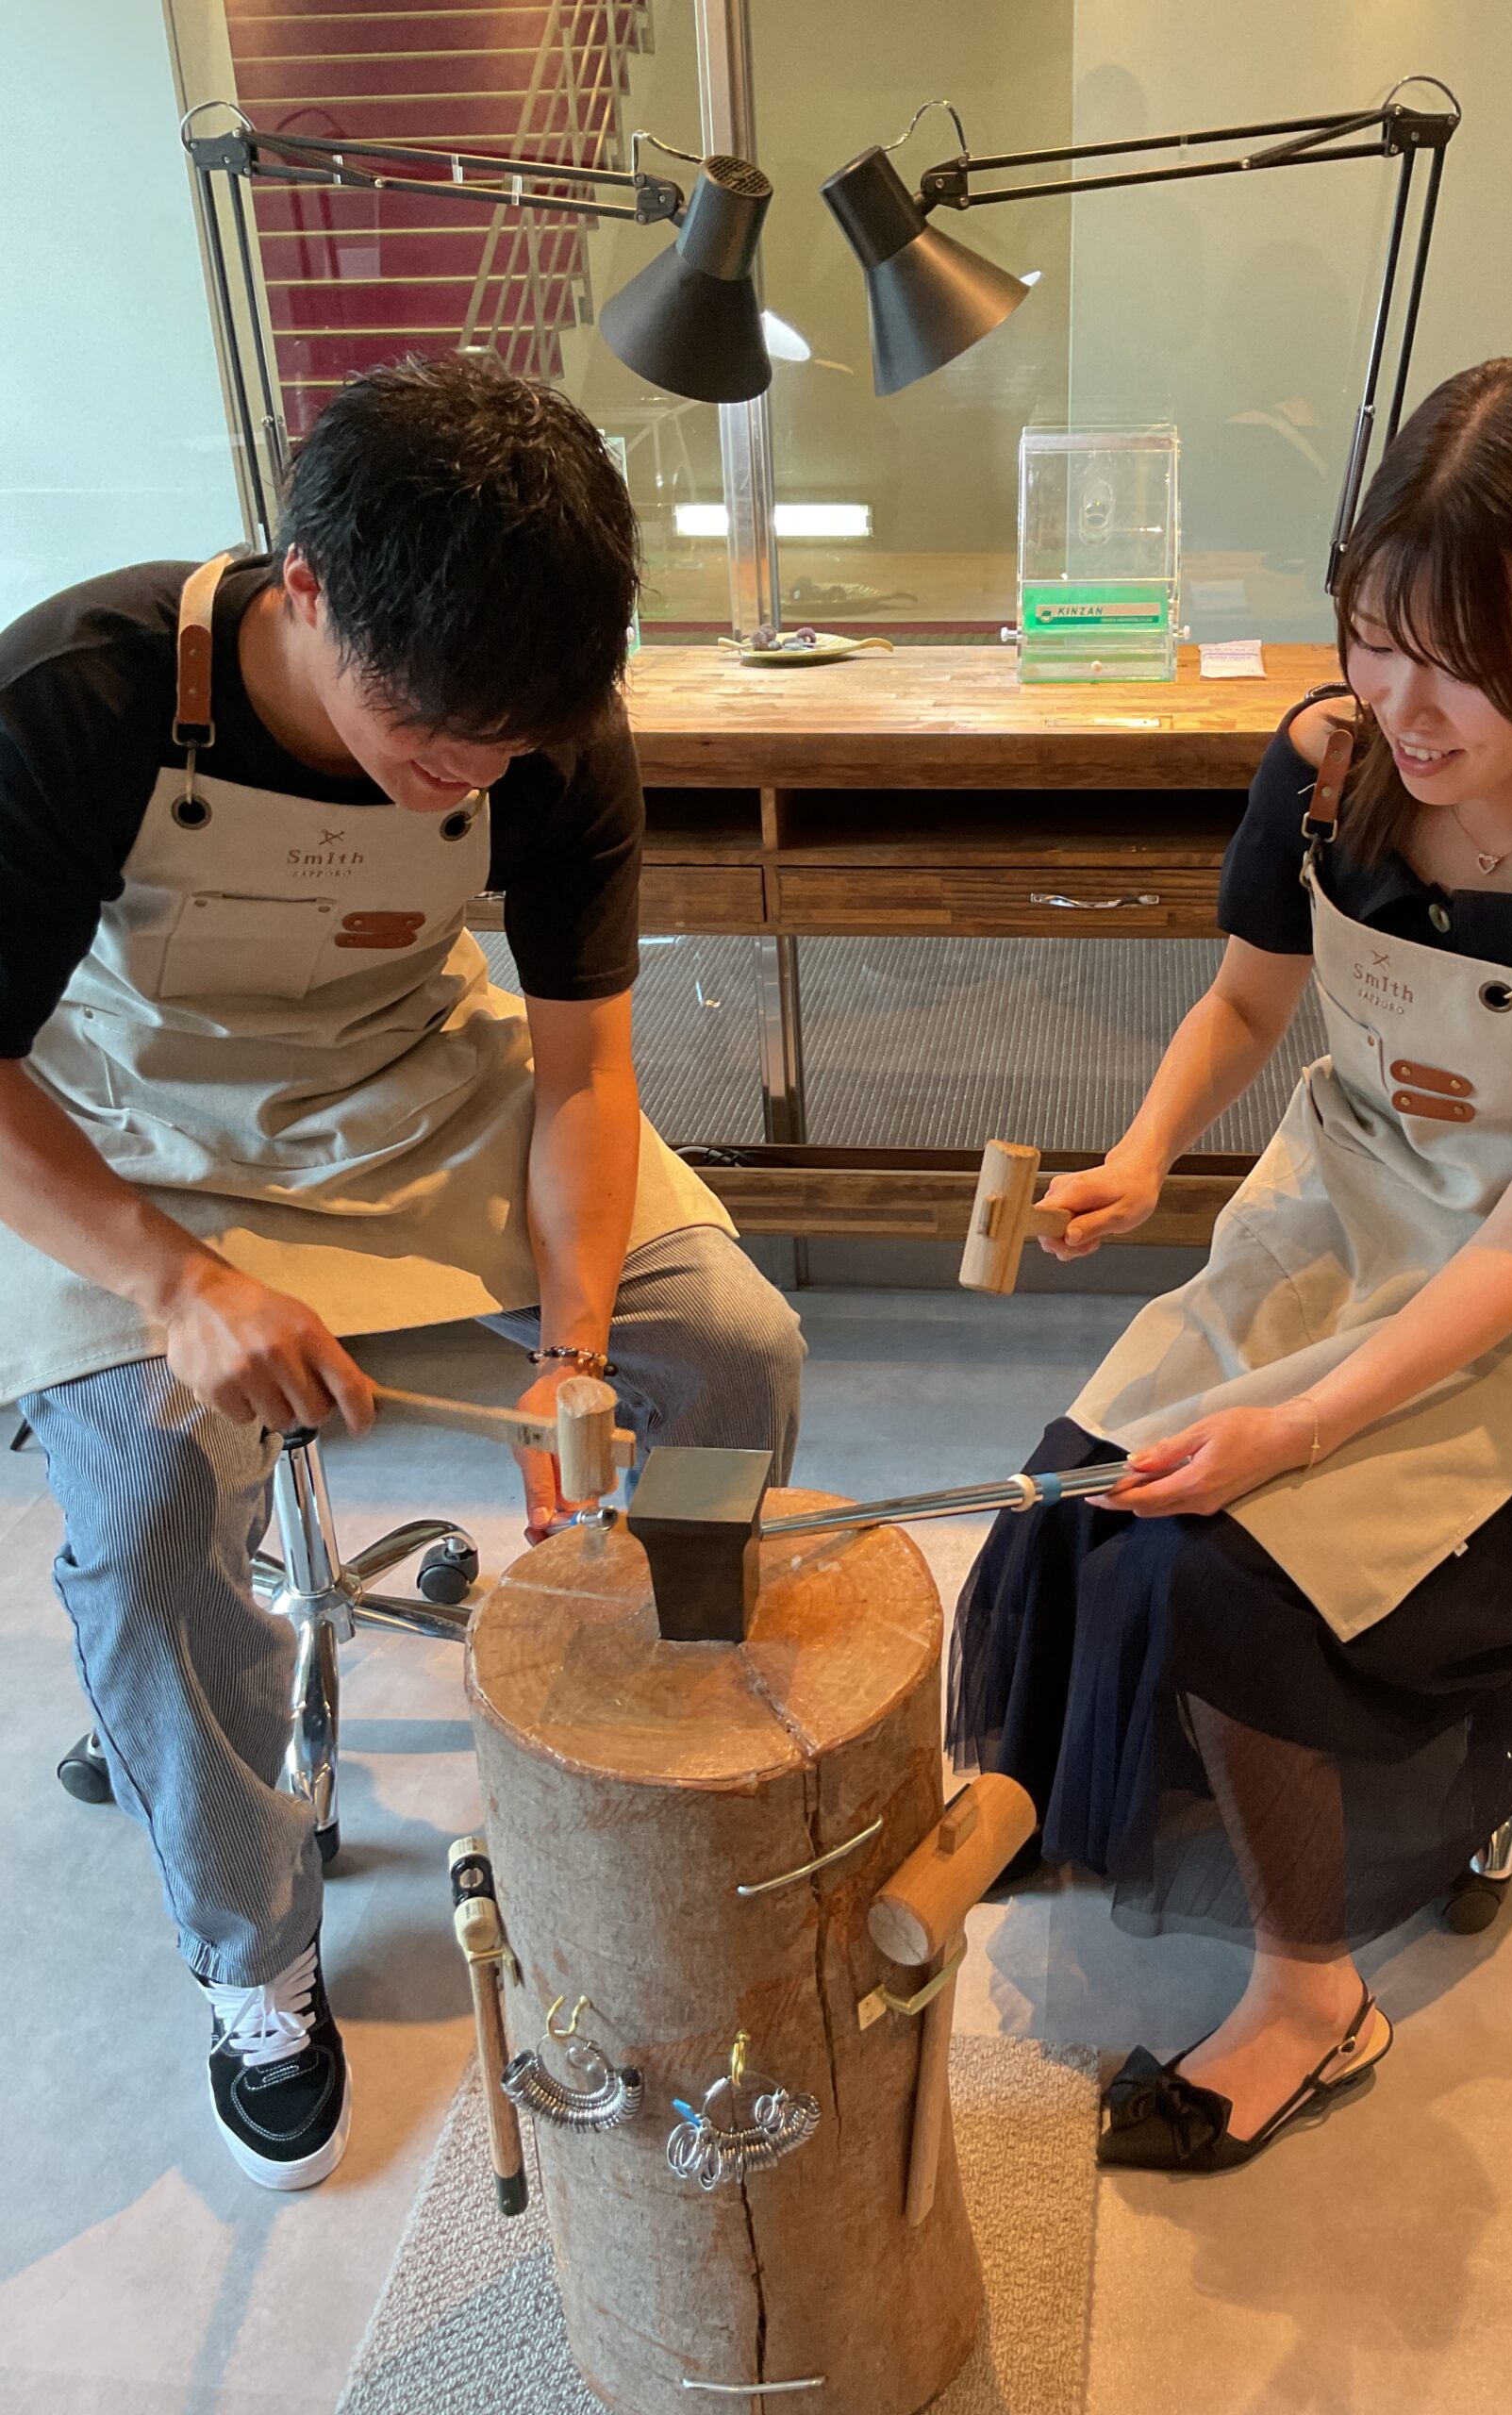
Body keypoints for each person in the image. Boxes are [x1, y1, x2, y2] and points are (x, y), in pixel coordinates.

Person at [949, 357, 1512, 2174]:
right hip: (1347, 1197)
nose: (1401, 704)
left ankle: (1311, 1996)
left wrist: (1303, 1428)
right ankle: (1053, 1806)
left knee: (1239, 1573)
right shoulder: (1336, 764)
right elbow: (1251, 1003)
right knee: (1082, 1489)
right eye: (1376, 634)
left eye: (1461, 661)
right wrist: (1145, 1154)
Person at [0, 356, 805, 2190]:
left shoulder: (548, 723)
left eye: (506, 751)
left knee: (728, 1346)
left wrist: (576, 1349)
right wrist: (176, 1283)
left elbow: (584, 1071)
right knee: (145, 1512)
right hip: (130, 1136)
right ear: (306, 588)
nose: (472, 776)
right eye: (434, 735)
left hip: (410, 1091)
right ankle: (254, 1958)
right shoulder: (77, 696)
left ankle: (667, 1713)